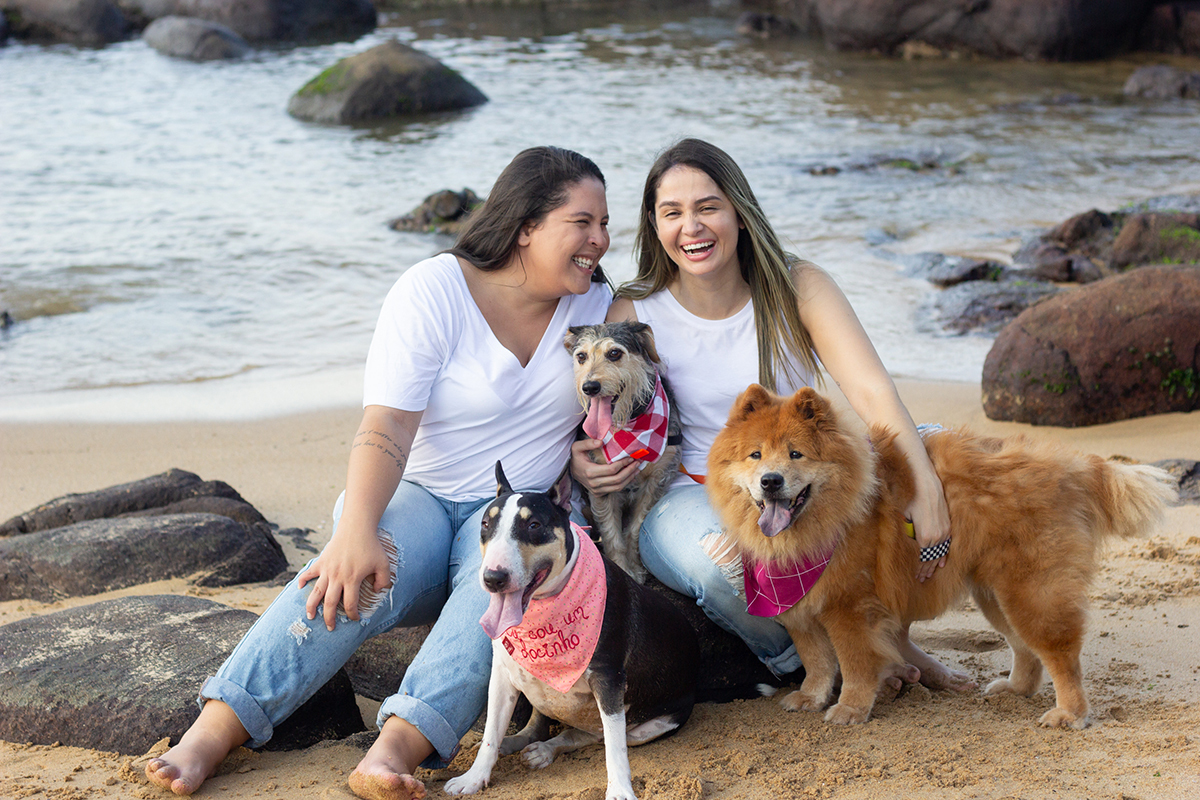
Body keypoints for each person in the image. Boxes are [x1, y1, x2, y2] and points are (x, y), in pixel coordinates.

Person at [146, 146, 613, 800]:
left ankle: (393, 751)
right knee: (355, 575)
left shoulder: (596, 308)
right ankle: (212, 732)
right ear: (526, 226)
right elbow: (388, 425)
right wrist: (356, 529)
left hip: (512, 514)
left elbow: (622, 408)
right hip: (418, 498)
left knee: (502, 596)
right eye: (583, 222)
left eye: (606, 224)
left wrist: (590, 454)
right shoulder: (434, 290)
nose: (602, 240)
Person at [572, 138, 973, 691]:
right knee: (720, 566)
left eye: (708, 206)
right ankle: (804, 664)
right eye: (673, 213)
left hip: (801, 467)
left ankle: (889, 638)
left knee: (945, 454)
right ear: (654, 225)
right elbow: (605, 413)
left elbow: (873, 392)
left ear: (738, 208)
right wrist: (581, 465)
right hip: (690, 489)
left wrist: (926, 487)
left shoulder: (797, 285)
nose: (692, 227)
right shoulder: (636, 310)